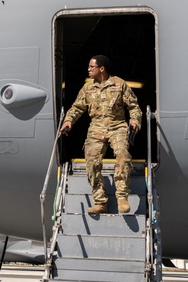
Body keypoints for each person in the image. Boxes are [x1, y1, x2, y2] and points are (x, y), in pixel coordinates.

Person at [59, 55, 142, 214]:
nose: (88, 69)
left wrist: (135, 121)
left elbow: (133, 106)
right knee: (92, 162)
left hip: (117, 125)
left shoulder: (119, 84)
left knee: (123, 155)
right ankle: (100, 201)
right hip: (96, 127)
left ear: (101, 68)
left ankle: (122, 196)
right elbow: (77, 108)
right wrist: (69, 121)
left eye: (92, 67)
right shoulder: (87, 88)